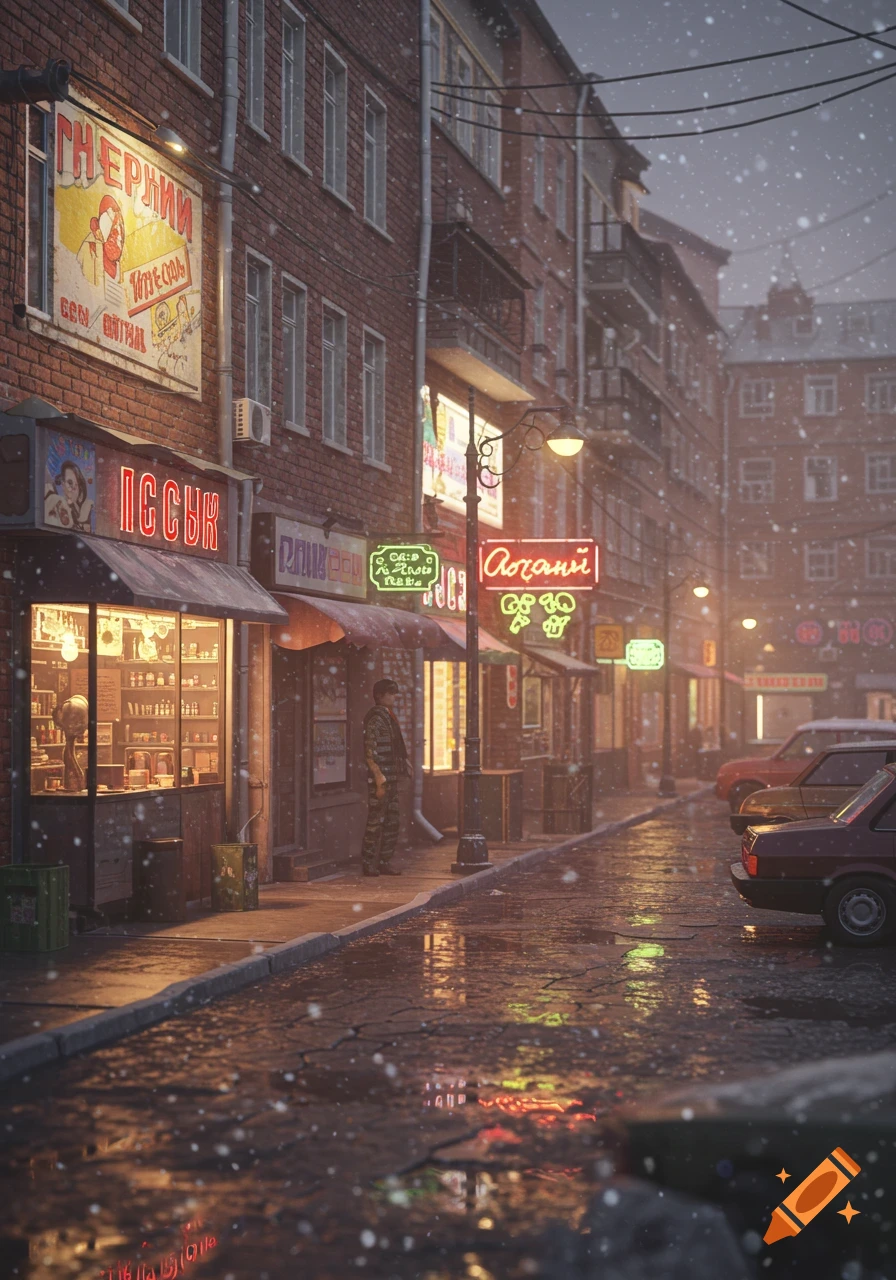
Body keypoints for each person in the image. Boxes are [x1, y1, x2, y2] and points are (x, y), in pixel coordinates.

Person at [361, 679, 410, 876]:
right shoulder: (375, 718)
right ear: (380, 695)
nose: (394, 697)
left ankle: (384, 861)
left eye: (394, 693)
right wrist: (378, 777)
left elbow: (396, 745)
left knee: (392, 821)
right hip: (381, 779)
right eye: (390, 693)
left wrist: (405, 763)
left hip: (391, 777)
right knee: (376, 821)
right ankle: (368, 862)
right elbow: (370, 751)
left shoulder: (388, 717)